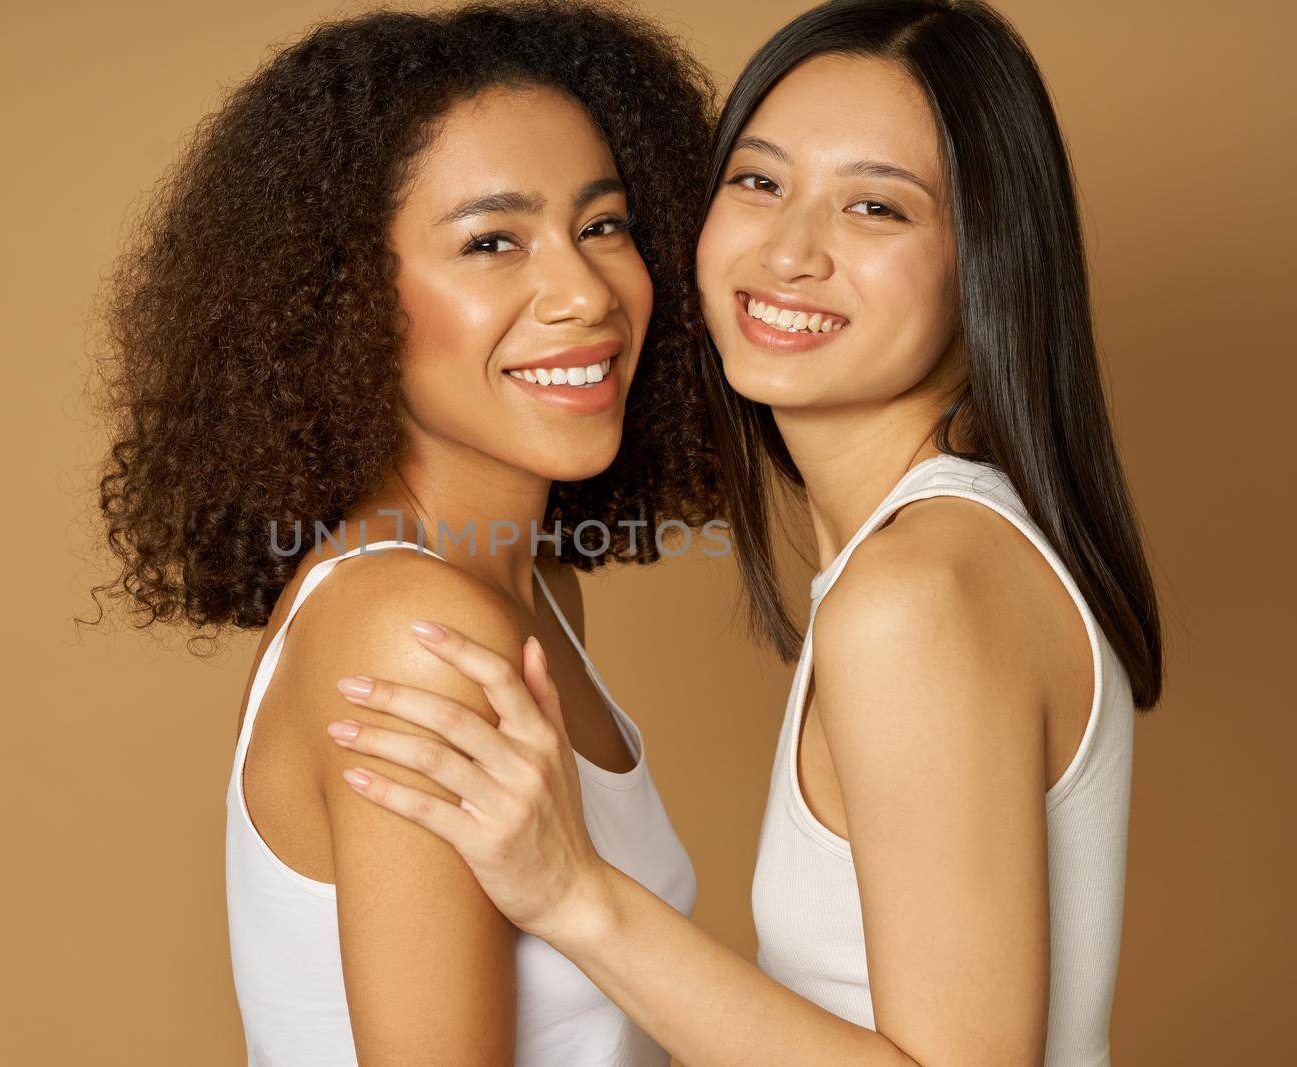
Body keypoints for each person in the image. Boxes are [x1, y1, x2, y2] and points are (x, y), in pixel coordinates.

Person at [323, 1, 1164, 1064]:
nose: (789, 251)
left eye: (875, 208)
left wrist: (575, 894)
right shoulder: (956, 551)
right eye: (759, 182)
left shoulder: (918, 595)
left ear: (985, 258)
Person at [87, 1, 724, 1063]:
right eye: (491, 241)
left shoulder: (527, 593)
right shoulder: (412, 629)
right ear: (342, 303)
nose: (582, 290)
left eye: (603, 224)